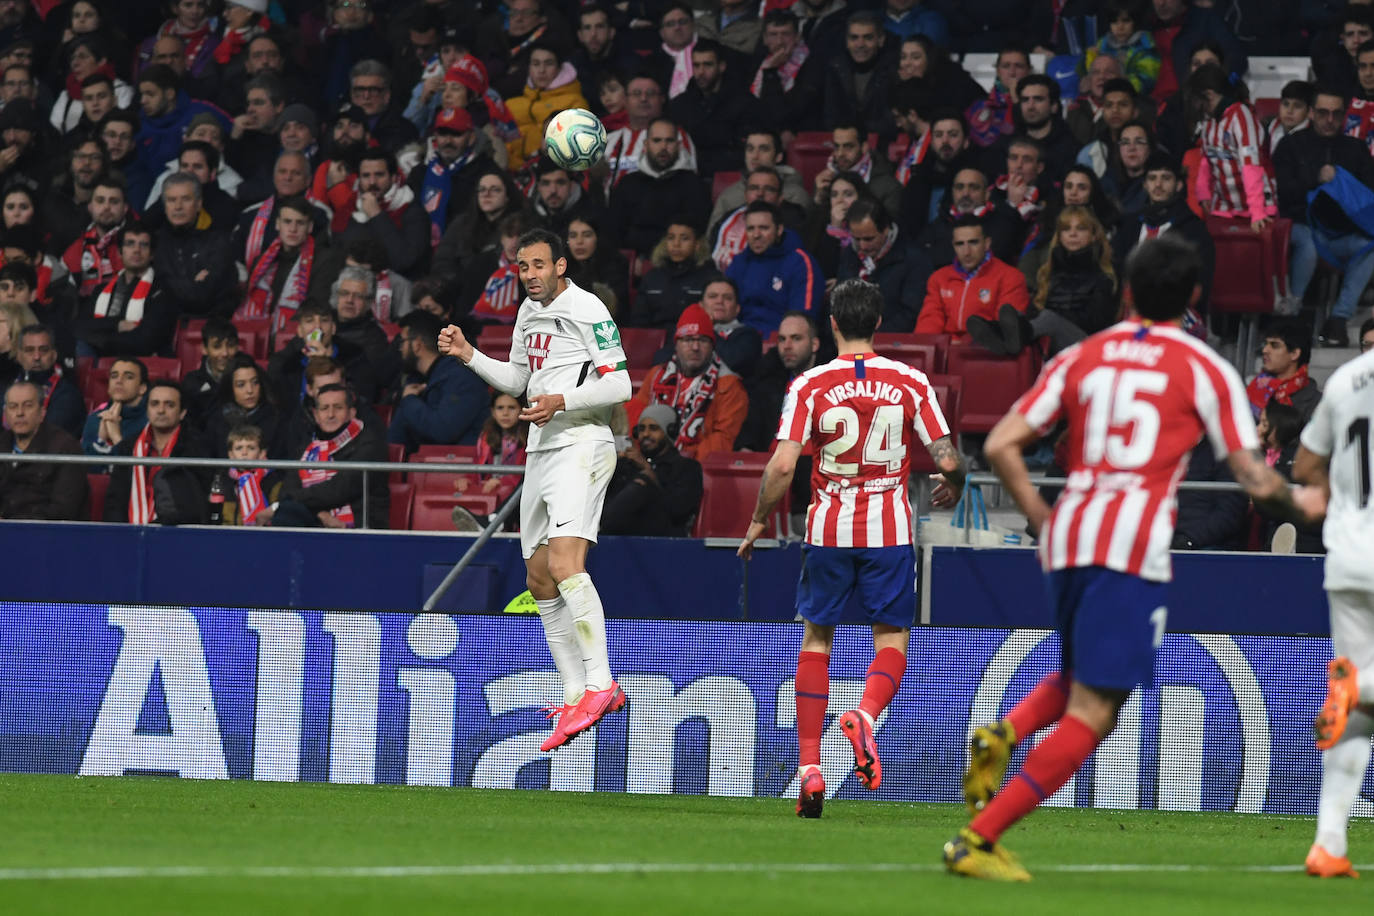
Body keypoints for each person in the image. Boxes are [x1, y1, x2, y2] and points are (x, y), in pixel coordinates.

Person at [947, 235, 1297, 880]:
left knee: (1080, 671)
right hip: (1129, 547)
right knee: (1097, 711)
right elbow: (1256, 478)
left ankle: (1005, 733)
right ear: (1193, 296)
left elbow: (1000, 443)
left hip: (1069, 536)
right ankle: (978, 838)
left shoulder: (1083, 355)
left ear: (1128, 290)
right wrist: (1314, 508)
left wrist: (1041, 516)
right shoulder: (1203, 366)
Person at [737, 277, 965, 818]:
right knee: (891, 638)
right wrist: (953, 483)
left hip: (828, 529)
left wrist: (757, 520)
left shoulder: (810, 385)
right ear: (878, 324)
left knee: (817, 639)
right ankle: (864, 714)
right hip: (889, 531)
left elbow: (782, 465)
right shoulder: (910, 381)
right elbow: (948, 457)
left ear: (831, 325)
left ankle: (810, 767)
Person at [438, 227, 631, 752]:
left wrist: (561, 401)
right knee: (540, 577)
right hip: (542, 449)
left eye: (539, 265)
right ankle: (574, 693)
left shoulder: (588, 308)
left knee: (567, 563)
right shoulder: (527, 312)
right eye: (523, 267)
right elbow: (520, 381)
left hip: (583, 444)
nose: (530, 275)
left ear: (561, 266)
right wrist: (469, 354)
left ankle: (601, 684)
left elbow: (621, 385)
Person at [1287, 324, 1374, 877]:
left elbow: (1303, 468)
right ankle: (1354, 687)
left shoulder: (1345, 379)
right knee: (1357, 693)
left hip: (1346, 559)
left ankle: (1329, 845)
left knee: (1359, 719)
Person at [1275, 86, 1374, 349]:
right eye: (1322, 113)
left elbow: (1369, 192)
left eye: (1336, 114)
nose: (1329, 120)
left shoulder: (1356, 148)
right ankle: (1291, 315)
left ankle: (1339, 320)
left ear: (1344, 116)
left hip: (1341, 234)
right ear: (1310, 113)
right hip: (1301, 228)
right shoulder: (1291, 145)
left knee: (1370, 246)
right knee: (1307, 241)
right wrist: (1315, 178)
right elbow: (1282, 193)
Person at [630, 303, 748, 462]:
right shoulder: (656, 375)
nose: (695, 347)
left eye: (703, 340)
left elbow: (723, 440)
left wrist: (681, 462)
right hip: (649, 461)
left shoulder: (729, 385)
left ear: (713, 346)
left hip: (695, 469)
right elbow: (635, 421)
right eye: (688, 339)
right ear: (676, 344)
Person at [264, 382, 389, 529]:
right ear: (316, 415)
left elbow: (340, 489)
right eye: (324, 408)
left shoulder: (370, 444)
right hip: (316, 519)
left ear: (351, 413)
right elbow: (288, 489)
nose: (330, 415)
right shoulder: (308, 447)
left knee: (288, 512)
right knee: (288, 513)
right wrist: (320, 514)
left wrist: (290, 501)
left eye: (338, 408)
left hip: (359, 524)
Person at [104, 379, 209, 525]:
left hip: (178, 535)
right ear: (147, 410)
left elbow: (196, 503)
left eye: (169, 405)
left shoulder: (197, 447)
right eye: (155, 404)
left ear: (182, 413)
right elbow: (116, 499)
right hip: (129, 534)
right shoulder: (129, 447)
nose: (160, 410)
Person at [1187, 63, 1275, 231]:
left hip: (1256, 211)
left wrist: (1257, 211)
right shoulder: (1208, 120)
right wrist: (1203, 192)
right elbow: (1206, 158)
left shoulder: (1242, 116)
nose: (1196, 106)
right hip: (1223, 208)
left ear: (1209, 95)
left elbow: (1251, 166)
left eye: (1198, 100)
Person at [607, 115, 709, 258]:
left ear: (679, 145)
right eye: (657, 141)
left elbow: (696, 235)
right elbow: (614, 234)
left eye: (669, 141)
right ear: (646, 144)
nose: (663, 147)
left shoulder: (694, 185)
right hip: (630, 265)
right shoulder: (627, 184)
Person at [917, 215, 1029, 341]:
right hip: (945, 352)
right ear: (953, 246)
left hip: (986, 355)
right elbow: (928, 324)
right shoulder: (939, 278)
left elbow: (1004, 331)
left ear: (987, 244)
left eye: (973, 242)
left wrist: (960, 345)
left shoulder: (1010, 278)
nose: (967, 251)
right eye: (960, 244)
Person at [388, 310, 487, 452]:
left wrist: (409, 400)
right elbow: (395, 440)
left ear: (417, 345)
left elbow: (443, 431)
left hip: (459, 467)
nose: (400, 348)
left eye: (402, 341)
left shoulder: (463, 378)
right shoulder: (417, 380)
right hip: (427, 466)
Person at [601, 402, 703, 537]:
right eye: (641, 429)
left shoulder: (688, 467)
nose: (645, 434)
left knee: (641, 484)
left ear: (670, 431)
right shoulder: (627, 464)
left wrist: (648, 473)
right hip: (621, 539)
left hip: (663, 541)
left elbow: (678, 510)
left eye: (653, 428)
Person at [74, 225, 174, 359]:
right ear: (120, 252)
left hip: (140, 362)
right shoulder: (101, 290)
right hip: (103, 361)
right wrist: (117, 324)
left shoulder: (161, 290)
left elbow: (145, 341)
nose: (137, 250)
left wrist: (100, 339)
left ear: (152, 255)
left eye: (143, 245)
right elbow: (80, 327)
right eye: (130, 244)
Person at [836, 198, 932, 333]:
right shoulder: (850, 254)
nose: (862, 246)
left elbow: (910, 315)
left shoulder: (914, 260)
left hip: (891, 345)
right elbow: (838, 303)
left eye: (869, 239)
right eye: (857, 239)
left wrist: (868, 338)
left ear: (886, 229)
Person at [726, 201, 823, 334]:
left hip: (782, 341)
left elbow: (804, 319)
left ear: (779, 230)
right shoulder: (739, 262)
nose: (756, 235)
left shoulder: (800, 262)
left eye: (764, 228)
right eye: (750, 228)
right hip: (740, 337)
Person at [333, 149, 431, 277]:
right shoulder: (348, 210)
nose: (372, 182)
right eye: (366, 176)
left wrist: (377, 215)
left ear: (394, 177)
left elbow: (404, 261)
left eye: (379, 175)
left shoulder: (413, 211)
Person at [666, 40, 755, 179]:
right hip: (688, 177)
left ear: (722, 66)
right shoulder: (679, 105)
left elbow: (746, 151)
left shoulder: (744, 103)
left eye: (708, 65)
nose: (701, 72)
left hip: (732, 178)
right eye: (696, 65)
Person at [0, 378, 86, 520]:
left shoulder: (65, 447)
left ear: (42, 412)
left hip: (47, 534)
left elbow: (64, 509)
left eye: (27, 406)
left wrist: (13, 522)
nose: (20, 413)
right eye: (13, 406)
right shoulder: (2, 443)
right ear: (6, 414)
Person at [236, 194, 317, 334]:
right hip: (259, 337)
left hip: (298, 339)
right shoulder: (262, 261)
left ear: (310, 227)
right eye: (287, 221)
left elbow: (315, 310)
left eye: (300, 223)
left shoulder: (322, 260)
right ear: (277, 224)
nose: (293, 229)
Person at [633, 221, 715, 331]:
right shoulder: (652, 277)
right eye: (671, 238)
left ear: (697, 245)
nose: (676, 244)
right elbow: (638, 320)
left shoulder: (709, 277)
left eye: (684, 238)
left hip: (695, 338)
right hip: (655, 340)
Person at [453, 391, 528, 509]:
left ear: (522, 410)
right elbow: (478, 466)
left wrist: (503, 482)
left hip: (520, 497)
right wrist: (468, 479)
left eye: (511, 408)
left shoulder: (528, 438)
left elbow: (528, 473)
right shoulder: (486, 437)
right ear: (493, 412)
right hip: (490, 493)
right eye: (500, 408)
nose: (505, 413)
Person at [204, 353, 281, 459]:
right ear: (230, 388)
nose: (250, 390)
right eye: (241, 385)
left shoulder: (276, 419)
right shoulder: (217, 420)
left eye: (255, 382)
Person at [16, 323, 83, 438]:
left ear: (54, 355)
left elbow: (50, 438)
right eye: (29, 350)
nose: (36, 356)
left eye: (43, 350)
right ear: (19, 356)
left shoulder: (67, 395)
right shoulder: (7, 389)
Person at [1246, 321, 1321, 421]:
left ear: (1294, 354)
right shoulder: (1253, 389)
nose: (1265, 350)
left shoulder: (1315, 404)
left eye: (1275, 345)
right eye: (1266, 344)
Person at [220, 423, 286, 526]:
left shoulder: (274, 481)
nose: (244, 453)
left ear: (261, 454)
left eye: (251, 448)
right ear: (231, 455)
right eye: (239, 448)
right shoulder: (224, 482)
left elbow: (280, 511)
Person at [81, 356, 148, 456]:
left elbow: (141, 469)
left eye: (129, 377)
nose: (119, 381)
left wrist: (116, 437)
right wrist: (101, 440)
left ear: (142, 388)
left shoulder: (150, 422)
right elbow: (85, 467)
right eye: (114, 376)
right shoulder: (95, 419)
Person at [181, 317, 238, 431]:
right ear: (204, 349)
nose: (225, 353)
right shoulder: (191, 382)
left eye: (230, 345)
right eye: (217, 346)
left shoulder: (249, 378)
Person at [701, 277, 763, 379]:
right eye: (713, 296)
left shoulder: (750, 335)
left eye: (727, 298)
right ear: (701, 305)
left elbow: (735, 361)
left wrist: (706, 328)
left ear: (737, 308)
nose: (720, 301)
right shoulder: (686, 333)